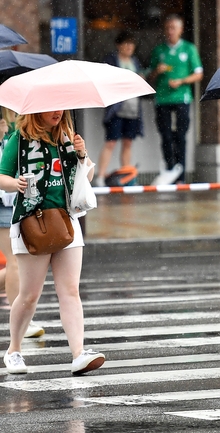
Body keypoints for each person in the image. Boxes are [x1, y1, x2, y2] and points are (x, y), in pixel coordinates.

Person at [0, 110, 105, 375]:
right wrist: (16, 183)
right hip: (31, 222)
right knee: (29, 295)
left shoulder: (68, 137)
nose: (58, 112)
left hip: (67, 221)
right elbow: (1, 176)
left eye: (61, 108)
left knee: (70, 290)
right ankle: (13, 351)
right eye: (52, 108)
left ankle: (79, 353)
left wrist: (81, 154)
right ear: (36, 110)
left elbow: (87, 178)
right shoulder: (20, 139)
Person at [0, 107, 44, 338]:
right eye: (3, 123)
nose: (6, 127)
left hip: (11, 203)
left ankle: (23, 319)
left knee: (15, 262)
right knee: (15, 262)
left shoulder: (11, 137)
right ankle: (22, 323)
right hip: (4, 204)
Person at [148, 14, 203, 184]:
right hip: (162, 99)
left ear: (181, 29)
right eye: (167, 28)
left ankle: (181, 175)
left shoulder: (189, 49)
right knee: (165, 135)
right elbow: (149, 76)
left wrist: (181, 81)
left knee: (181, 135)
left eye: (173, 28)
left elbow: (199, 74)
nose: (170, 31)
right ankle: (170, 170)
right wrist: (158, 70)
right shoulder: (159, 51)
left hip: (182, 98)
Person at [98, 31, 144, 187]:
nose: (129, 47)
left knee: (128, 143)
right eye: (126, 43)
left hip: (133, 108)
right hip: (116, 108)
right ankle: (101, 176)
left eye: (132, 44)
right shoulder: (111, 60)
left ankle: (126, 177)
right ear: (119, 45)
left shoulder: (135, 62)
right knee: (111, 142)